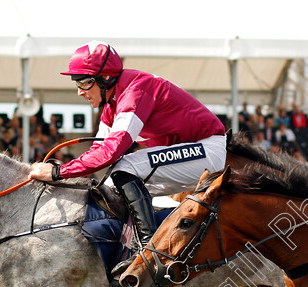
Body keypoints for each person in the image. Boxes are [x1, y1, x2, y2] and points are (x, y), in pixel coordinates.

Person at [28, 41, 227, 275]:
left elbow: (112, 151)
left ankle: (147, 254)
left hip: (207, 149)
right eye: (77, 83)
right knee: (110, 187)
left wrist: (57, 172)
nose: (79, 91)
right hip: (188, 153)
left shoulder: (135, 91)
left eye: (84, 81)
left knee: (125, 168)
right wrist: (64, 172)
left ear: (107, 79)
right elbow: (98, 152)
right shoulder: (110, 106)